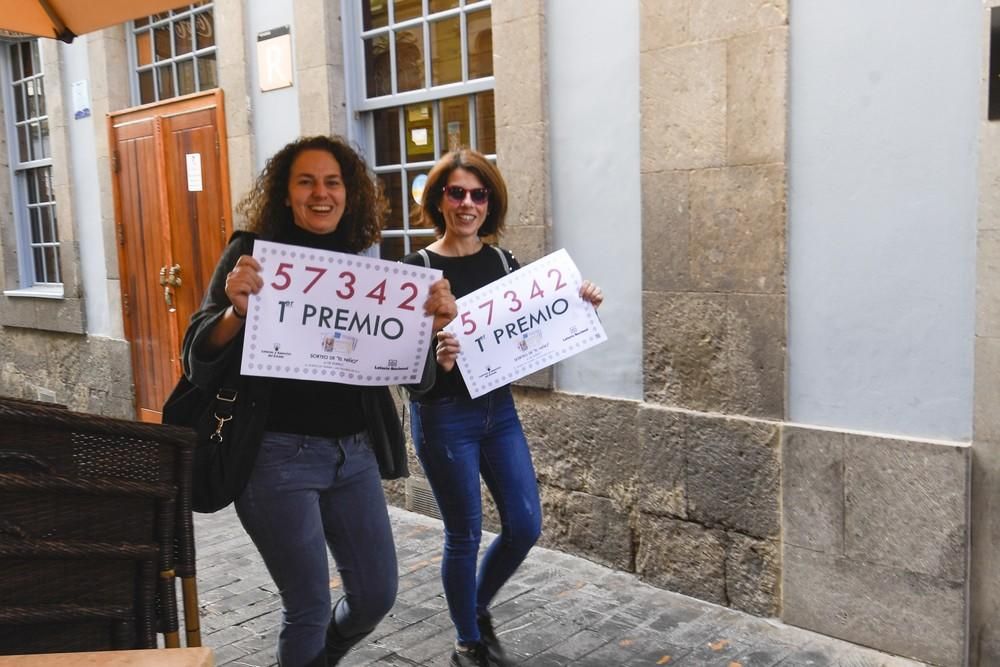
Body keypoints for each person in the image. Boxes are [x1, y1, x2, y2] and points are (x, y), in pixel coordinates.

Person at [181, 135, 457, 667]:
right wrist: (235, 312)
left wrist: (428, 331)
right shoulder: (251, 256)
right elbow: (195, 358)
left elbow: (414, 381)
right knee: (306, 606)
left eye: (332, 182)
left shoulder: (366, 268)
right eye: (305, 181)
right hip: (275, 458)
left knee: (377, 595)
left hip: (354, 457)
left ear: (348, 194)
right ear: (285, 194)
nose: (320, 193)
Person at [402, 149, 604, 667]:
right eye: (457, 193)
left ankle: (475, 607)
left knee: (524, 524)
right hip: (445, 418)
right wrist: (437, 358)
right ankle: (467, 643)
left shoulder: (503, 263)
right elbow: (400, 364)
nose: (468, 204)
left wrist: (578, 302)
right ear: (439, 200)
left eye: (478, 194)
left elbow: (533, 325)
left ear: (489, 202)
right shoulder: (418, 271)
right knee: (464, 533)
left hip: (498, 413)